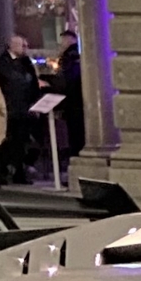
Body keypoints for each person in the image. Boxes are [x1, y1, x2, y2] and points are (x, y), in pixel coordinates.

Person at [0, 33, 39, 183]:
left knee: (21, 143)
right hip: (8, 110)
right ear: (12, 46)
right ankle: (4, 171)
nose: (25, 48)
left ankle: (19, 172)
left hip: (24, 110)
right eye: (22, 46)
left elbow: (33, 85)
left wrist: (34, 103)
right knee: (6, 143)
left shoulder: (26, 63)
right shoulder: (0, 63)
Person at [53, 28, 85, 173]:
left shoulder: (70, 57)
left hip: (73, 103)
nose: (62, 43)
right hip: (76, 102)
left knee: (75, 135)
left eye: (64, 40)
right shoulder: (73, 56)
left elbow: (68, 81)